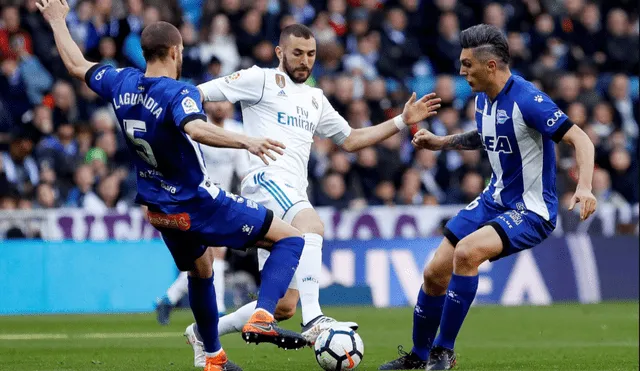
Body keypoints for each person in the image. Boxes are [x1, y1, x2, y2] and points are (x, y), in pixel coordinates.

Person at [37, 1, 308, 370]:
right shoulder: (178, 92)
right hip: (196, 201)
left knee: (202, 271)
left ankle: (212, 356)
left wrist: (56, 21)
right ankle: (262, 315)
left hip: (159, 209)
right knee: (290, 238)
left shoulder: (121, 82)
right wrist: (246, 141)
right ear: (176, 51)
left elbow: (75, 65)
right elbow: (195, 128)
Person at [187, 23, 441, 360]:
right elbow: (198, 94)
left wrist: (400, 121)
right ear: (280, 53)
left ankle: (204, 332)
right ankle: (316, 317)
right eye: (297, 53)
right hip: (265, 181)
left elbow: (350, 139)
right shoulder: (258, 80)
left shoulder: (315, 98)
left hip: (291, 191)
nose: (305, 61)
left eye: (310, 54)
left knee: (282, 305)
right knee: (313, 226)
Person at [379, 24, 597, 371]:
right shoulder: (483, 99)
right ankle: (418, 358)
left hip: (530, 208)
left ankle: (443, 352)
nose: (462, 71)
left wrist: (584, 186)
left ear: (491, 65)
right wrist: (441, 142)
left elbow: (581, 139)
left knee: (467, 254)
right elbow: (485, 136)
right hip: (492, 198)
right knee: (435, 272)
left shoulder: (528, 99)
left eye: (467, 64)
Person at [156, 101, 248, 326]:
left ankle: (170, 299)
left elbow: (244, 172)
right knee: (210, 257)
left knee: (209, 258)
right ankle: (216, 310)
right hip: (193, 199)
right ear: (206, 104)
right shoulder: (193, 128)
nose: (220, 106)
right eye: (215, 101)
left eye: (224, 101)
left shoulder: (236, 132)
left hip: (220, 201)